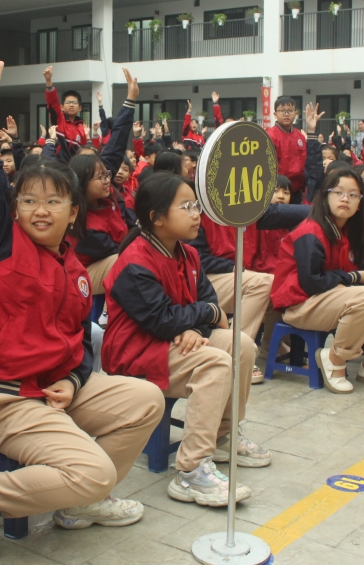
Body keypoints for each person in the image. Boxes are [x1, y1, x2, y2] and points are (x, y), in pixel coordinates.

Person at [0, 35, 163, 561]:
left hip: (55, 388)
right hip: (4, 396)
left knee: (146, 400)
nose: (40, 210)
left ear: (73, 211)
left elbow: (78, 341)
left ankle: (76, 506)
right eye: (28, 200)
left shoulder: (74, 266)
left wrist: (73, 380)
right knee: (92, 471)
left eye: (53, 201)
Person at [104, 171, 270, 506]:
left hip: (173, 342)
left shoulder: (188, 254)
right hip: (135, 353)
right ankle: (191, 469)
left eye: (196, 205)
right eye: (186, 206)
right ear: (157, 218)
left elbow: (205, 305)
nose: (197, 213)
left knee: (241, 345)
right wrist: (200, 320)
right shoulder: (134, 263)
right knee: (215, 362)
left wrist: (194, 324)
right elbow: (164, 320)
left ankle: (223, 435)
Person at [273, 138, 364, 393]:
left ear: (361, 201)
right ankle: (335, 358)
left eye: (353, 194)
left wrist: (355, 278)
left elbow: (349, 276)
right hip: (301, 304)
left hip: (332, 299)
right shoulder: (311, 231)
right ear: (325, 196)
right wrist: (353, 279)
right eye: (339, 193)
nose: (345, 199)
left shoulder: (349, 232)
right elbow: (311, 282)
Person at [68, 72, 136, 295]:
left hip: (115, 259)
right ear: (83, 183)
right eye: (101, 177)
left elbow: (115, 147)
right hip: (83, 274)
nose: (109, 179)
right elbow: (118, 249)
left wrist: (130, 101)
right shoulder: (82, 222)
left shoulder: (108, 195)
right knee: (130, 260)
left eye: (106, 174)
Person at [267, 96, 306, 202]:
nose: (286, 114)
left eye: (290, 110)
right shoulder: (270, 136)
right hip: (278, 190)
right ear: (275, 114)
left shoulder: (300, 136)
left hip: (297, 190)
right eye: (282, 111)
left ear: (295, 113)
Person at [43, 65, 88, 149]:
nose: (71, 105)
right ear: (62, 107)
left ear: (80, 108)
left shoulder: (81, 129)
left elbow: (83, 151)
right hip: (58, 162)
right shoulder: (59, 119)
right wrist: (48, 81)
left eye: (74, 103)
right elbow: (53, 102)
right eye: (68, 102)